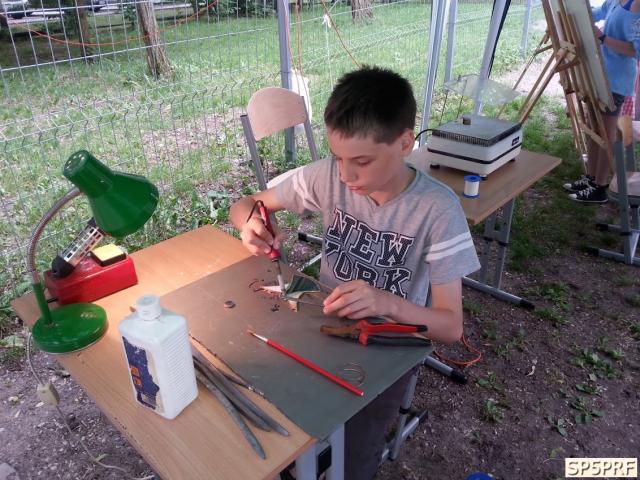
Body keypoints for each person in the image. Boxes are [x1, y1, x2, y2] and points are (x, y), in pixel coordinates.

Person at [230, 66, 480, 479]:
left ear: (405, 143)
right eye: (339, 158)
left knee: (355, 449)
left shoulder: (437, 210)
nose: (346, 176)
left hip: (389, 345)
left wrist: (385, 302)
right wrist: (250, 224)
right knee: (279, 414)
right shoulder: (330, 177)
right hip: (322, 320)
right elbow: (246, 203)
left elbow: (450, 326)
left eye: (362, 161)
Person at [564, 0, 640, 203]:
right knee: (594, 129)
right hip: (598, 73)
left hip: (616, 80)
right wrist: (576, 9)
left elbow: (636, 50)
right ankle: (590, 178)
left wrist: (603, 38)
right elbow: (596, 13)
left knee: (606, 133)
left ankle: (600, 185)